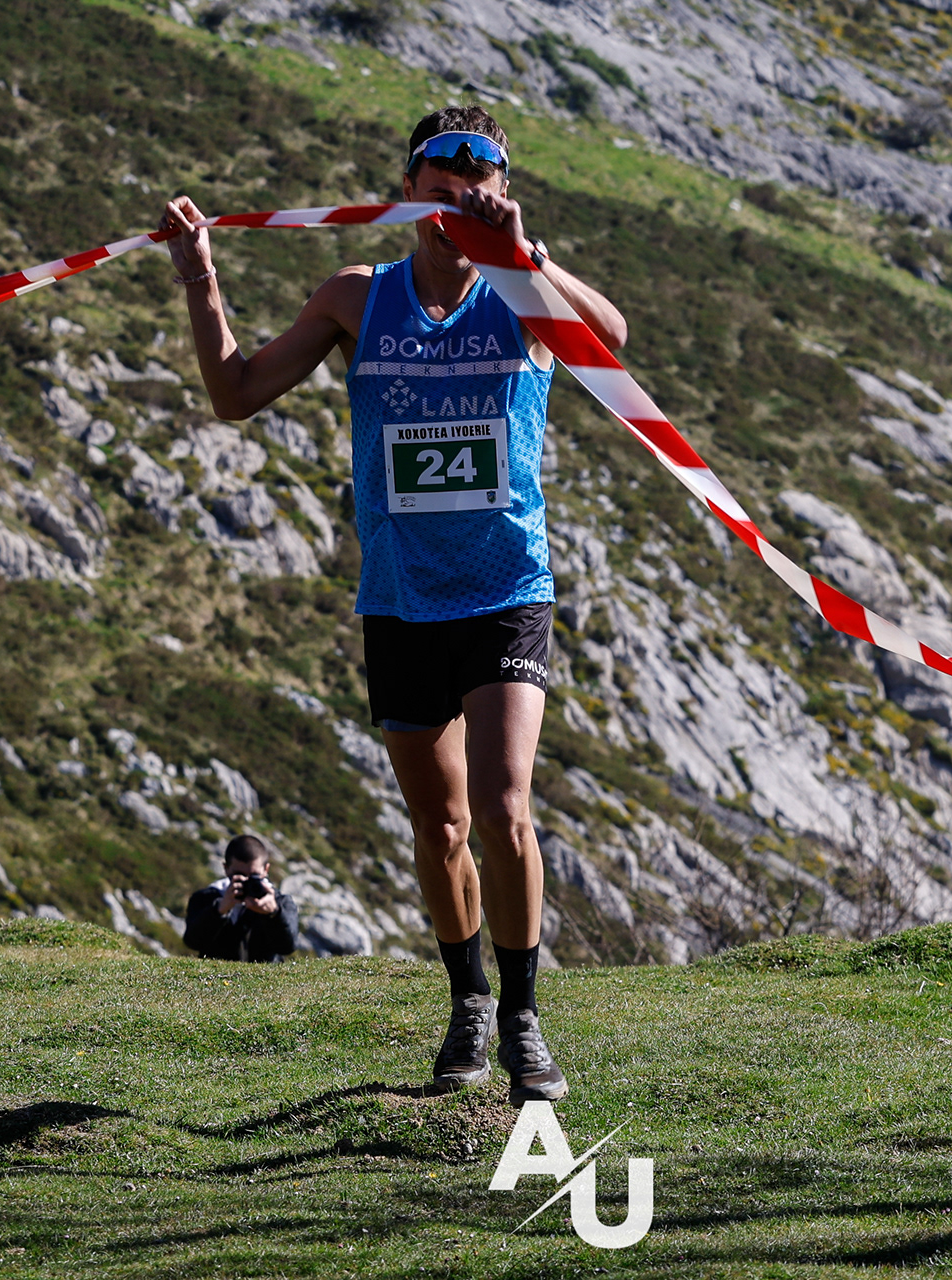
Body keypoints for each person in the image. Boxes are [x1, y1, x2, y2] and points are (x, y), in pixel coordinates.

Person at [161, 105, 626, 1102]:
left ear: (503, 194)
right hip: (402, 600)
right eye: (439, 188)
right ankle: (467, 1002)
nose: (456, 205)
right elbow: (235, 395)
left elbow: (613, 342)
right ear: (408, 192)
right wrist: (200, 278)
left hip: (505, 590)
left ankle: (523, 1016)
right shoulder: (356, 297)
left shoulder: (521, 291)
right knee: (440, 827)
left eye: (478, 190)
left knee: (503, 806)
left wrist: (523, 259)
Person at [184, 834, 300, 963]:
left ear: (266, 870)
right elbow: (193, 942)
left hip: (264, 974)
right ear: (226, 869)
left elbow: (287, 947)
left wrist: (274, 914)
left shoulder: (280, 902)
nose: (246, 881)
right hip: (216, 973)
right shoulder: (206, 898)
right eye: (239, 875)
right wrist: (218, 911)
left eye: (254, 876)